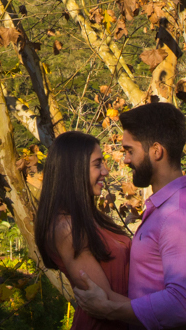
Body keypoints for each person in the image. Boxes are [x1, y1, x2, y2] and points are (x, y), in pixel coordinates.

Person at [72, 102, 186, 330]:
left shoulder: (180, 216)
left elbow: (184, 305)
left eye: (130, 150)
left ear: (156, 151)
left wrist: (108, 309)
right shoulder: (165, 209)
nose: (125, 160)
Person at [34, 130, 132, 330]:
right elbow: (103, 299)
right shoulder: (66, 228)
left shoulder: (94, 219)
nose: (105, 171)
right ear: (73, 169)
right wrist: (165, 315)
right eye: (97, 164)